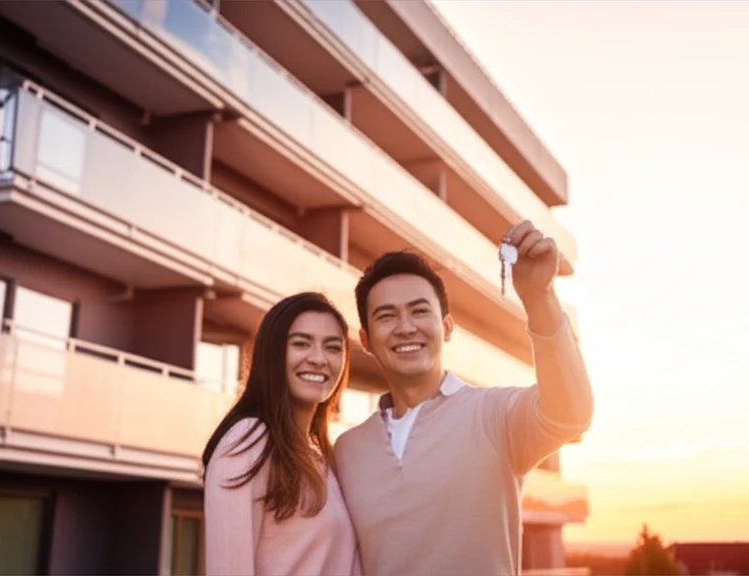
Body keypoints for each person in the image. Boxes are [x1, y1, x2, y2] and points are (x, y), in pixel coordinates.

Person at [334, 220, 595, 575]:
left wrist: (540, 298)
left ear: (447, 327)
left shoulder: (493, 415)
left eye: (419, 311)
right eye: (386, 316)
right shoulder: (348, 450)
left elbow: (572, 414)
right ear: (365, 340)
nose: (406, 327)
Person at [202, 292, 361, 576]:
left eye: (333, 347)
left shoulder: (321, 457)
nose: (319, 359)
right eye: (301, 343)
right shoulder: (248, 439)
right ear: (273, 354)